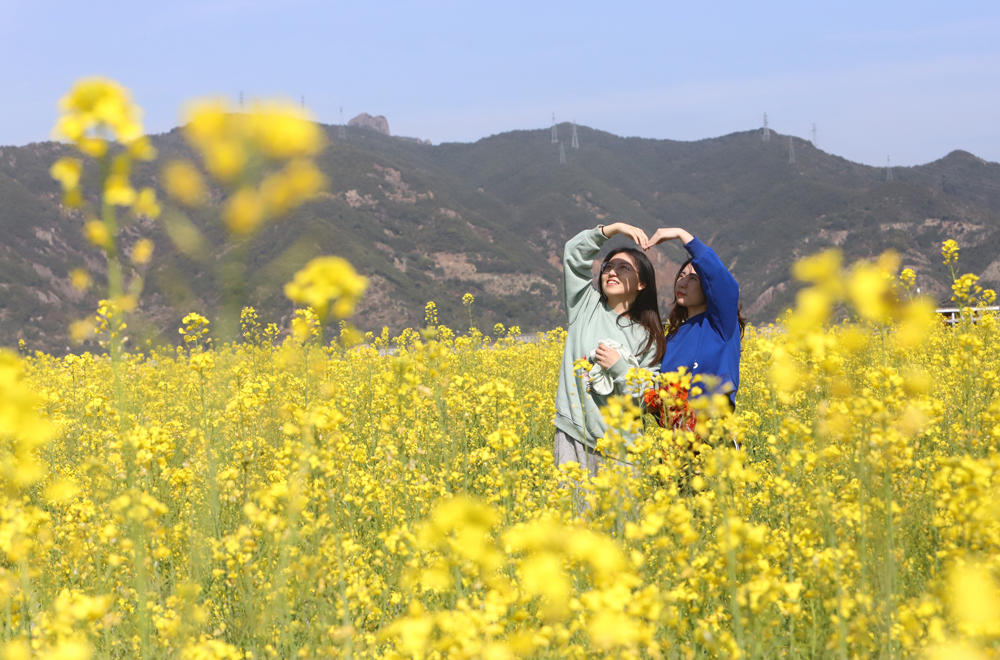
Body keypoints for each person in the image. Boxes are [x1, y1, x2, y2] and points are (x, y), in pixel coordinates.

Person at [554, 223, 665, 476]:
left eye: (623, 268)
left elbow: (648, 398)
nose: (611, 272)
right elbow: (573, 254)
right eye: (607, 266)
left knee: (621, 517)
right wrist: (612, 229)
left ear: (642, 284)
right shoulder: (584, 305)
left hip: (622, 448)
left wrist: (619, 367)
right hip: (575, 435)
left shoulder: (649, 337)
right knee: (572, 514)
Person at [647, 227, 745, 410]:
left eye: (693, 278)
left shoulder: (721, 325)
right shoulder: (671, 338)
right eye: (681, 276)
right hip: (678, 436)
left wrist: (681, 234)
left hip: (713, 431)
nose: (682, 282)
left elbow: (722, 281)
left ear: (707, 286)